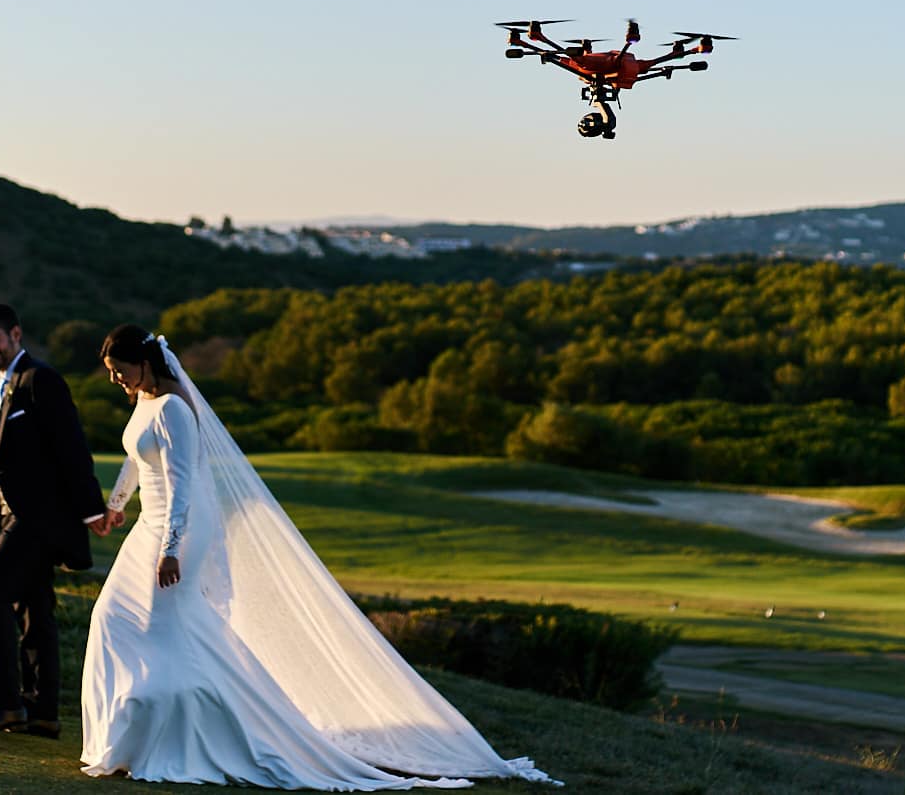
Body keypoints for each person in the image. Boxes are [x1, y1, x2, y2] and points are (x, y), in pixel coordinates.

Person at [81, 324, 556, 788]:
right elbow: (136, 458)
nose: (115, 379)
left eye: (120, 370)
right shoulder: (145, 402)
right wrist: (115, 505)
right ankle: (144, 727)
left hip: (178, 530)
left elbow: (183, 481)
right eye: (111, 371)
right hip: (151, 524)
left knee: (164, 623)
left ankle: (191, 729)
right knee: (116, 618)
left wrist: (171, 549)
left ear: (146, 364)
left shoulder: (175, 410)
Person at [0, 302, 108, 738]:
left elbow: (71, 448)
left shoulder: (42, 380)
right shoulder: (4, 384)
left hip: (41, 516)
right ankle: (43, 713)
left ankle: (3, 705)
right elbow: (4, 457)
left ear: (16, 335)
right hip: (12, 513)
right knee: (34, 608)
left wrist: (92, 509)